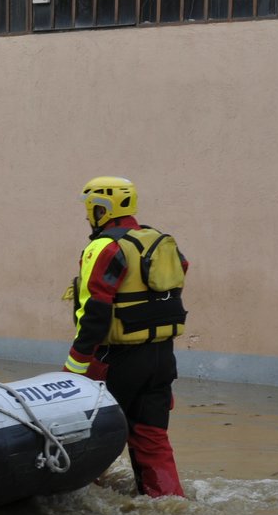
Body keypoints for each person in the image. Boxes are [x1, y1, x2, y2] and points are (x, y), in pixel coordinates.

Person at [63, 176, 188, 497]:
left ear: (102, 209)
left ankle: (76, 501)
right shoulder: (161, 242)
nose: (88, 215)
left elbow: (96, 311)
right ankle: (168, 503)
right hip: (162, 358)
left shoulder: (104, 247)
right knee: (152, 436)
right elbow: (178, 274)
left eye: (91, 208)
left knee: (87, 432)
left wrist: (74, 370)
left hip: (116, 359)